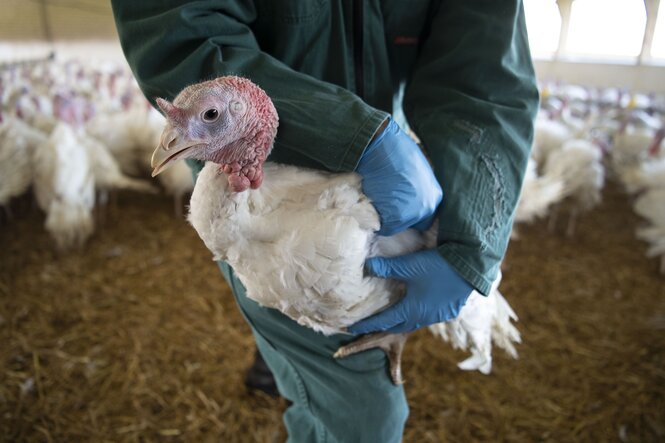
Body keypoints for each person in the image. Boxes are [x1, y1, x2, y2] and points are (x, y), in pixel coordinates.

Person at [111, 1, 538, 441]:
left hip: (387, 184)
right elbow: (179, 31)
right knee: (364, 416)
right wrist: (354, 136)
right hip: (262, 176)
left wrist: (471, 245)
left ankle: (304, 345)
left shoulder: (322, 251)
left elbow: (485, 79)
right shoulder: (251, 217)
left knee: (359, 412)